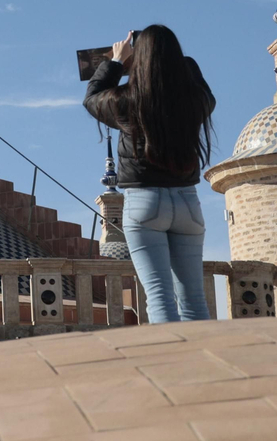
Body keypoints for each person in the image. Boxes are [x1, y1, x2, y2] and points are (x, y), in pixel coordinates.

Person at [85, 24, 216, 323]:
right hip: (188, 203)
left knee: (159, 298)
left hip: (144, 202)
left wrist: (116, 62)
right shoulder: (193, 102)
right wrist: (175, 62)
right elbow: (206, 92)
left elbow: (92, 98)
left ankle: (171, 367)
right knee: (195, 301)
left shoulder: (127, 101)